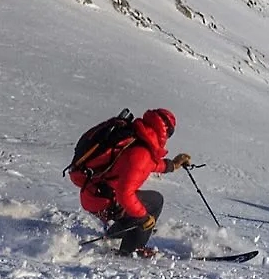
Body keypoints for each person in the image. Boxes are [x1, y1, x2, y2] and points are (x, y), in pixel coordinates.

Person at [78, 108, 192, 257]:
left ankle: (116, 232)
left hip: (95, 193)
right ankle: (131, 250)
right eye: (170, 133)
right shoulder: (141, 152)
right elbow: (124, 194)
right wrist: (143, 218)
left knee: (149, 201)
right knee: (153, 203)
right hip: (104, 199)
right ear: (164, 131)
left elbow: (147, 165)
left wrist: (173, 165)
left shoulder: (138, 139)